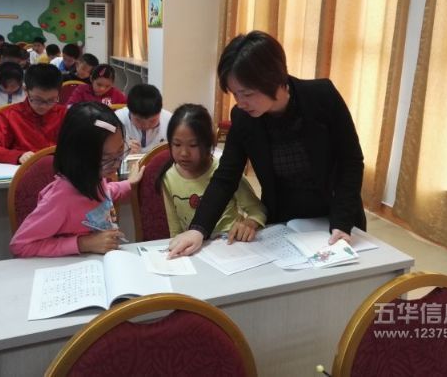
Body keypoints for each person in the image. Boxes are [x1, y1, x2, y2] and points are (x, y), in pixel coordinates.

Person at [168, 31, 366, 258]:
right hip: (285, 222)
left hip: (336, 217)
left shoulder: (322, 96)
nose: (240, 103)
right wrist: (198, 229)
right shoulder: (243, 117)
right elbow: (226, 177)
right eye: (235, 94)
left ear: (273, 80)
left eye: (247, 93)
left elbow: (351, 161)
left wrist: (341, 222)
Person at [9, 102, 144, 257]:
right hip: (76, 266)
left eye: (120, 151)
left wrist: (128, 184)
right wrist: (83, 243)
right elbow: (20, 245)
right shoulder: (60, 199)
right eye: (106, 158)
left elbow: (103, 195)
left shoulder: (94, 177)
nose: (117, 164)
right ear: (78, 157)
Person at [159, 104, 265, 237]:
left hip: (229, 244)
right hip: (195, 245)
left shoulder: (225, 172)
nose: (184, 153)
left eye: (193, 145)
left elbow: (257, 211)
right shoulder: (169, 177)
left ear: (208, 143)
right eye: (177, 144)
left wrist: (249, 223)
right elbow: (175, 230)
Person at [0, 64, 66, 164]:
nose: (44, 106)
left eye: (51, 100)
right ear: (25, 90)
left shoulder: (65, 115)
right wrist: (18, 156)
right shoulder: (9, 116)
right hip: (21, 169)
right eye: (37, 100)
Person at [115, 84, 171, 154]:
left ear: (160, 112)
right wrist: (122, 150)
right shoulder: (117, 120)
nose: (146, 126)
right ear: (129, 111)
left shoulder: (170, 121)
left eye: (152, 121)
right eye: (138, 121)